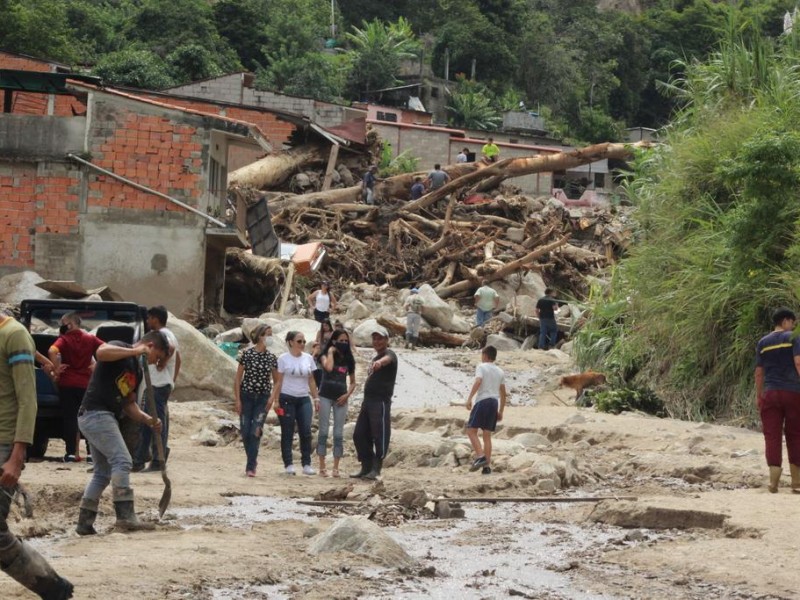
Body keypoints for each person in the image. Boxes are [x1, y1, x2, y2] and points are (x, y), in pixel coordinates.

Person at [0, 312, 74, 599]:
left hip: (5, 441)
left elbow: (28, 399)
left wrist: (17, 455)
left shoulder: (14, 334)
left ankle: (52, 587)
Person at [75, 331, 167, 536]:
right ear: (150, 346)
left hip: (103, 416)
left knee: (102, 473)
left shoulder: (138, 370)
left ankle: (84, 523)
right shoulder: (121, 347)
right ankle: (125, 516)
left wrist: (148, 419)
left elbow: (128, 403)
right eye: (157, 356)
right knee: (123, 460)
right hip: (95, 414)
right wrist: (135, 350)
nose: (154, 362)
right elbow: (101, 352)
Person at [755, 307, 800, 493]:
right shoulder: (793, 338)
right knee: (796, 434)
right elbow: (798, 362)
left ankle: (773, 483)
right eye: (793, 323)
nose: (793, 326)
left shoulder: (762, 342)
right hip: (793, 393)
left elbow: (759, 373)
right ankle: (796, 484)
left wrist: (759, 396)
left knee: (772, 435)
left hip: (771, 393)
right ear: (785, 321)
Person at [49, 311, 103, 462]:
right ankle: (91, 454)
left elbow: (52, 350)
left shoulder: (64, 339)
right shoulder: (91, 339)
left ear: (70, 324)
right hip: (86, 384)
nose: (61, 326)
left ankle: (71, 453)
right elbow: (106, 349)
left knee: (70, 419)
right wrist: (98, 365)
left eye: (63, 323)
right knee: (88, 418)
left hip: (67, 384)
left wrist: (56, 368)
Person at [133, 306, 180, 473]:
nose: (147, 322)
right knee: (152, 421)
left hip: (157, 385)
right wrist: (171, 380)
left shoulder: (164, 335)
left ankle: (155, 460)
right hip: (160, 384)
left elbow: (172, 348)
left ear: (155, 318)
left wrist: (162, 362)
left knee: (154, 422)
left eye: (149, 318)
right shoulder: (167, 334)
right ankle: (143, 458)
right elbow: (178, 358)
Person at [351, 326, 398, 480]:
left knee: (379, 434)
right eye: (375, 338)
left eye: (380, 338)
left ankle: (376, 469)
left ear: (386, 340)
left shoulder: (389, 355)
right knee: (359, 434)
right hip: (368, 401)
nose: (377, 341)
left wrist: (380, 364)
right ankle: (366, 466)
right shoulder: (375, 357)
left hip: (380, 401)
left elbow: (387, 360)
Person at [270, 331, 319, 476]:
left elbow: (311, 380)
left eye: (304, 341)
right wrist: (276, 400)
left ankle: (306, 463)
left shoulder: (308, 358)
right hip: (286, 399)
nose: (303, 344)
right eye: (299, 341)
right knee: (288, 431)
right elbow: (278, 381)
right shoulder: (283, 359)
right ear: (291, 342)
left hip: (303, 398)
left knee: (306, 431)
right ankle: (289, 464)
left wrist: (316, 398)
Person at [234, 324, 277, 477]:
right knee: (245, 432)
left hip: (263, 399)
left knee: (256, 431)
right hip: (246, 396)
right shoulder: (246, 354)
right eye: (267, 334)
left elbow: (277, 380)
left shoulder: (271, 357)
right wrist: (237, 400)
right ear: (260, 336)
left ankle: (250, 466)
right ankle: (252, 459)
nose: (270, 337)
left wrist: (272, 398)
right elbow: (238, 378)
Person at [317, 329, 356, 478]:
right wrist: (331, 352)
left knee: (338, 433)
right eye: (341, 341)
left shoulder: (349, 360)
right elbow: (327, 367)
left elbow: (353, 382)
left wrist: (347, 395)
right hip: (325, 396)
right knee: (324, 431)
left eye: (346, 341)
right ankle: (321, 466)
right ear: (334, 341)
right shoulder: (324, 355)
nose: (344, 344)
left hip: (341, 398)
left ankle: (335, 467)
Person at [465, 345, 506, 475]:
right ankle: (486, 467)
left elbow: (478, 381)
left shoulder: (481, 367)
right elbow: (503, 393)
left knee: (471, 431)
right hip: (494, 402)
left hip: (482, 401)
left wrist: (470, 398)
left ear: (485, 355)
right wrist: (501, 411)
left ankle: (480, 456)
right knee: (487, 436)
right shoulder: (500, 371)